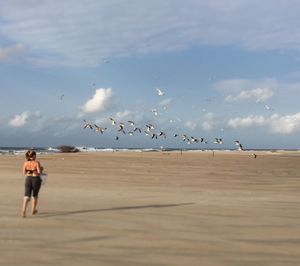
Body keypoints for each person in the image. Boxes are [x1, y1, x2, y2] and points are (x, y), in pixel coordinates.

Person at [21, 150, 43, 218]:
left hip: (28, 179)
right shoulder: (36, 162)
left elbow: (24, 173)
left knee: (26, 196)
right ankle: (33, 210)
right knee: (35, 195)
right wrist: (41, 169)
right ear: (33, 156)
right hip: (36, 179)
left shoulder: (25, 163)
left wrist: (29, 171)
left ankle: (23, 210)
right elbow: (39, 172)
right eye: (35, 155)